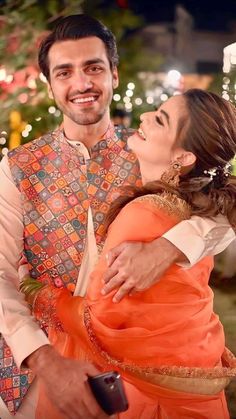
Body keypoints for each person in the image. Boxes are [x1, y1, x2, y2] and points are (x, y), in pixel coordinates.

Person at [0, 14, 234, 419]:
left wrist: (170, 246)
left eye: (93, 67)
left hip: (137, 372)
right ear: (50, 83)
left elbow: (221, 205)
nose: (82, 84)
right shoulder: (17, 167)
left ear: (113, 73)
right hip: (41, 365)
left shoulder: (151, 152)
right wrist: (43, 361)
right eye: (64, 72)